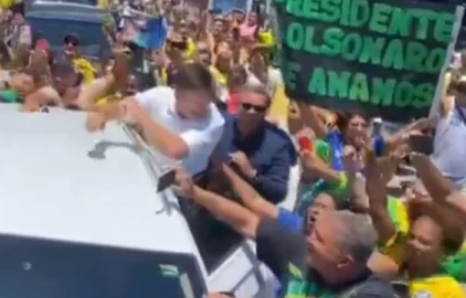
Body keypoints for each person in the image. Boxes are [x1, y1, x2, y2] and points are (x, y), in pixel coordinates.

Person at [174, 168, 394, 298]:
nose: (308, 238)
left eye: (318, 238)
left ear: (344, 262)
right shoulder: (300, 251)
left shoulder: (371, 294)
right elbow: (247, 221)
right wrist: (195, 193)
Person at [85, 63, 224, 175]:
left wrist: (140, 116)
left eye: (206, 102)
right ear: (177, 95)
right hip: (146, 169)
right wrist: (104, 115)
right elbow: (126, 106)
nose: (203, 109)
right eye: (197, 104)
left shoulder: (214, 122)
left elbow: (174, 149)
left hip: (182, 189)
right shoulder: (161, 94)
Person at [211, 82, 296, 203]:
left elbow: (279, 192)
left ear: (266, 111)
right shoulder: (219, 125)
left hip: (246, 211)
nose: (252, 112)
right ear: (238, 105)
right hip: (210, 203)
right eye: (246, 106)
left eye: (259, 108)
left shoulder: (278, 143)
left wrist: (252, 174)